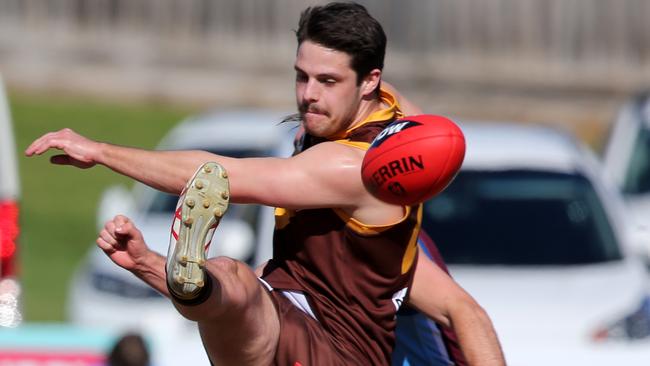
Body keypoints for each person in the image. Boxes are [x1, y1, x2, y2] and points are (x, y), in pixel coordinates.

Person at [26, 2, 504, 365]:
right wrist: (149, 264)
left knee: (245, 290)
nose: (308, 95)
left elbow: (217, 175)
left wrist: (102, 152)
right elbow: (468, 311)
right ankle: (188, 279)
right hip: (289, 312)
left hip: (336, 352)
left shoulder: (350, 169)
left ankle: (197, 283)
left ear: (367, 82)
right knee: (233, 276)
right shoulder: (382, 116)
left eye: (326, 81)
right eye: (301, 77)